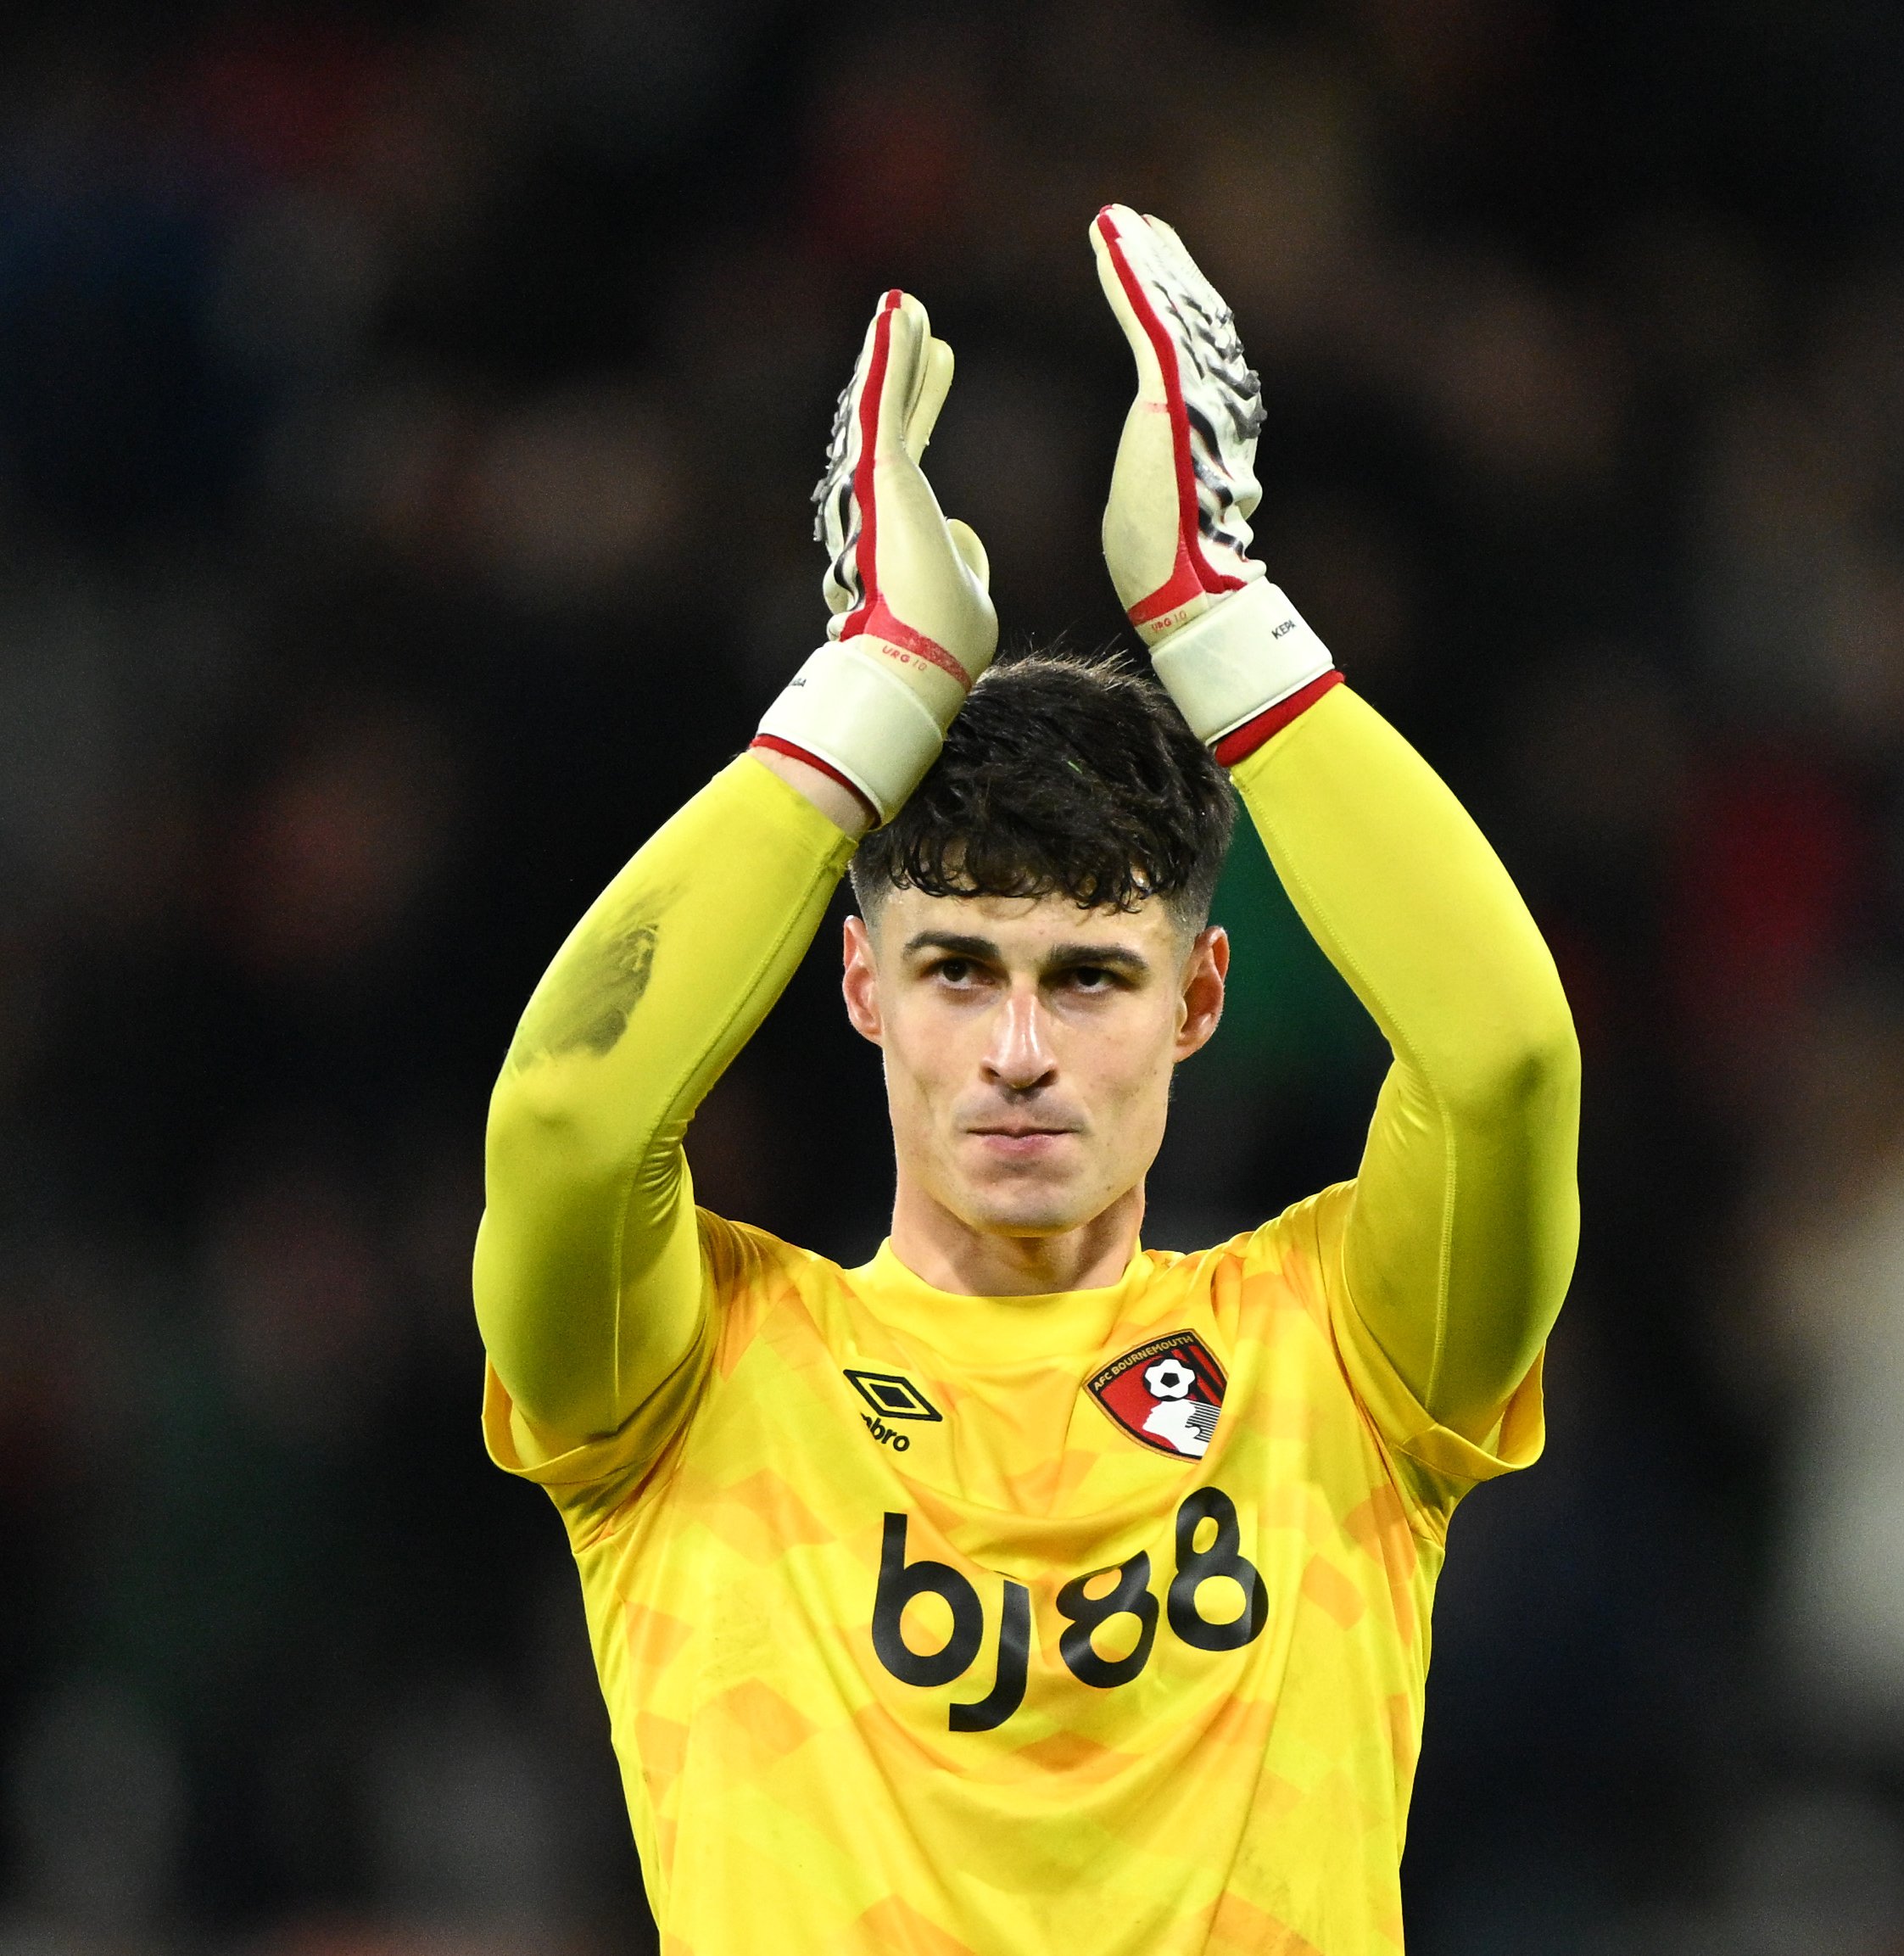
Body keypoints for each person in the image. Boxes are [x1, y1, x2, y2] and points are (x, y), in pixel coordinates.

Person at [473, 206, 1580, 1956]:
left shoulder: (1340, 1351)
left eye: (1086, 978)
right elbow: (565, 1120)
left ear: (1199, 998)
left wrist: (1217, 619)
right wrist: (877, 680)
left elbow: (1506, 1060)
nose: (1014, 1048)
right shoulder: (692, 1379)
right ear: (858, 983)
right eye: (955, 968)